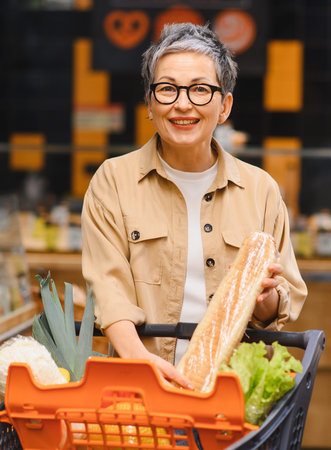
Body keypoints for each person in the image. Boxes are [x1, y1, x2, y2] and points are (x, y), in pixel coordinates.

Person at [81, 23, 307, 389]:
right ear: (149, 104)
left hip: (231, 393)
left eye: (200, 90)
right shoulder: (113, 181)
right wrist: (142, 362)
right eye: (167, 89)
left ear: (224, 106)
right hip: (140, 390)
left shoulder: (260, 189)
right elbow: (110, 291)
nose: (183, 104)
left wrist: (262, 298)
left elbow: (283, 304)